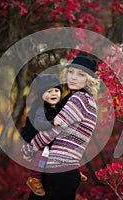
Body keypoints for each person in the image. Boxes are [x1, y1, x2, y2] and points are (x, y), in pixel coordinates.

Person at [22, 55, 100, 200]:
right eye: (71, 72)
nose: (73, 77)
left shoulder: (79, 99)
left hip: (58, 172)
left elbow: (52, 131)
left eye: (80, 74)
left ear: (88, 80)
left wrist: (29, 148)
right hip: (64, 171)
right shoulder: (88, 102)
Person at [21, 73, 63, 196]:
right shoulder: (41, 108)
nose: (53, 94)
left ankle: (72, 171)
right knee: (44, 153)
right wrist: (52, 122)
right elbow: (39, 124)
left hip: (51, 139)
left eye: (56, 90)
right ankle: (35, 178)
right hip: (38, 140)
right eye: (49, 91)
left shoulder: (60, 107)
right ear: (42, 95)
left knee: (65, 147)